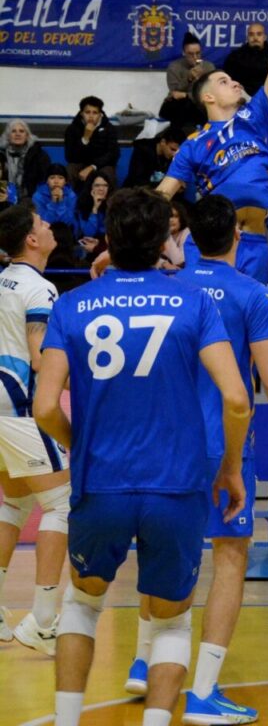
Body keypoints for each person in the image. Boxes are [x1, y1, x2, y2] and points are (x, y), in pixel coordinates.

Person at [32, 188, 251, 726]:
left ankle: (66, 720)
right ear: (164, 242)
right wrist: (230, 467)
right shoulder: (194, 303)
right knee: (173, 622)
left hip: (99, 481)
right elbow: (237, 399)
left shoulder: (73, 304)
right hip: (176, 485)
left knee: (82, 605)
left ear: (107, 236)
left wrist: (78, 442)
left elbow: (43, 408)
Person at [117, 195, 268, 721]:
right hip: (219, 446)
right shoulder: (252, 293)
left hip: (160, 441)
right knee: (230, 556)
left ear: (186, 236)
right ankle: (203, 691)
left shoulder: (166, 286)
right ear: (237, 235)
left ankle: (143, 663)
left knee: (158, 545)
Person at [133, 0, 268, 285]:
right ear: (207, 97)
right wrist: (127, 248)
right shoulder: (194, 144)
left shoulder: (256, 116)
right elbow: (162, 196)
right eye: (224, 81)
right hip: (210, 245)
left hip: (254, 243)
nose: (235, 82)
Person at [0, 204, 69, 656]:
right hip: (17, 403)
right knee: (63, 501)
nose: (48, 226)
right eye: (42, 223)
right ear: (31, 239)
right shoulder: (39, 289)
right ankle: (42, 623)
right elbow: (41, 356)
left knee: (17, 500)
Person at [159, 33, 216, 132]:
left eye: (198, 53)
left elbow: (211, 93)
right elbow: (175, 93)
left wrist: (186, 95)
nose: (195, 57)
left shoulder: (208, 67)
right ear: (184, 53)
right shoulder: (174, 67)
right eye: (190, 54)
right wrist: (188, 79)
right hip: (177, 106)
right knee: (182, 106)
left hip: (199, 105)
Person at [63, 96, 120, 190]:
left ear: (100, 114)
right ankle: (67, 202)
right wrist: (85, 138)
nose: (91, 116)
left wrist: (92, 167)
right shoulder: (72, 129)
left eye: (95, 113)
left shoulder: (109, 129)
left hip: (100, 165)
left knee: (108, 172)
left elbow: (113, 154)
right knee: (69, 170)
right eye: (87, 112)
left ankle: (111, 203)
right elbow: (70, 157)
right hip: (80, 164)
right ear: (81, 113)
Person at [0, 119, 51, 201]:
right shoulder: (1, 156)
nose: (17, 134)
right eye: (13, 131)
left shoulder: (39, 155)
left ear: (27, 135)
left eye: (21, 131)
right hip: (4, 200)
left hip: (30, 200)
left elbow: (45, 182)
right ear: (8, 136)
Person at [222, 22, 268, 98]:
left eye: (259, 34)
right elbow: (227, 78)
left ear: (265, 37)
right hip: (241, 95)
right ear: (247, 37)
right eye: (251, 34)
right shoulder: (236, 56)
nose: (255, 38)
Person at [73, 171, 112, 262]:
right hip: (89, 241)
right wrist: (95, 208)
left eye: (105, 185)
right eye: (97, 185)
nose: (101, 189)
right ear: (90, 187)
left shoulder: (114, 204)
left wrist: (99, 243)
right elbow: (88, 233)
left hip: (106, 244)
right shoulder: (82, 204)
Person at [32, 165, 78, 229]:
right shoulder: (38, 196)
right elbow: (43, 222)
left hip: (66, 231)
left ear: (65, 181)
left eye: (60, 178)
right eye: (52, 177)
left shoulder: (71, 195)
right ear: (47, 181)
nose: (56, 181)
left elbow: (68, 222)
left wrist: (61, 202)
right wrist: (53, 203)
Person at [160, 201, 190, 269]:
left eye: (175, 216)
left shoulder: (187, 233)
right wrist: (163, 263)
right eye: (168, 217)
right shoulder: (158, 232)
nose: (171, 220)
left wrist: (166, 233)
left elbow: (179, 261)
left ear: (181, 218)